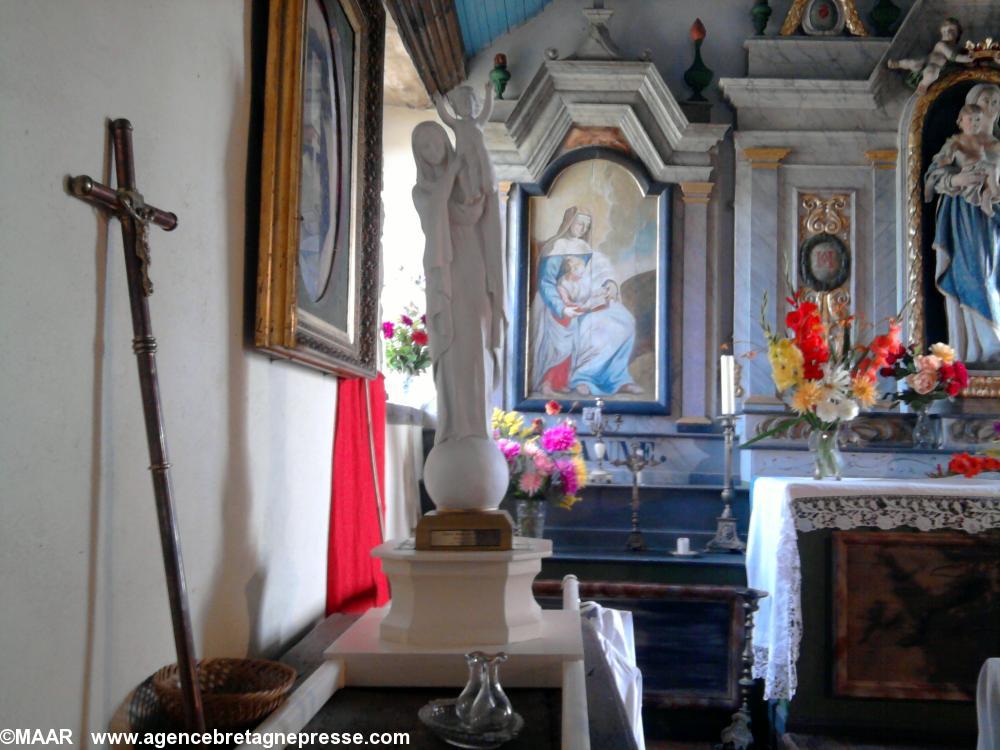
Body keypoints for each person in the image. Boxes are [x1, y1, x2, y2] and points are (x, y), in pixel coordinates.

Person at [411, 121, 506, 443]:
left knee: (476, 342)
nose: (432, 150)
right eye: (424, 147)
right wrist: (452, 170)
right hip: (445, 275)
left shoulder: (467, 186)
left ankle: (478, 424)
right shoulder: (422, 191)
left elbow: (486, 198)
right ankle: (454, 426)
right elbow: (435, 209)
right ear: (418, 155)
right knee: (452, 345)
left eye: (436, 142)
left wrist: (469, 146)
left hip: (473, 267)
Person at [924, 84, 1000, 363]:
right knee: (974, 274)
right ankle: (981, 347)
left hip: (994, 219)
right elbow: (933, 177)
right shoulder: (955, 144)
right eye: (984, 101)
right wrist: (958, 180)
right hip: (963, 218)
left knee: (993, 276)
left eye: (995, 101)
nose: (990, 106)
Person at [531, 206, 642, 396]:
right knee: (585, 330)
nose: (582, 228)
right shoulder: (557, 247)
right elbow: (546, 283)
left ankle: (616, 378)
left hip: (586, 302)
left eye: (586, 225)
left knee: (624, 321)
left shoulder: (585, 248)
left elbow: (600, 270)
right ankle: (581, 378)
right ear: (569, 222)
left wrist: (610, 284)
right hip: (561, 305)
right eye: (579, 223)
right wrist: (562, 308)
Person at [433, 83, 496, 203]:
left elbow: (487, 110)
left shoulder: (477, 122)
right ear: (456, 109)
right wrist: (439, 102)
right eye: (462, 103)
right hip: (461, 158)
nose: (466, 104)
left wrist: (489, 93)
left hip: (476, 158)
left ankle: (477, 191)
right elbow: (446, 117)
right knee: (463, 177)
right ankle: (468, 195)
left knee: (475, 174)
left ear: (475, 105)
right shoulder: (457, 125)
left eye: (469, 101)